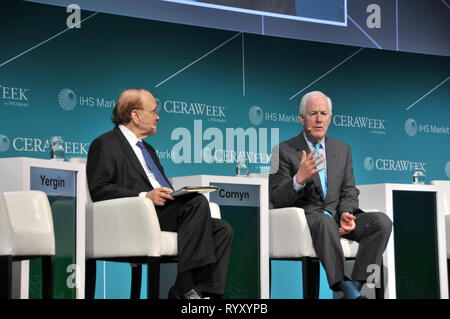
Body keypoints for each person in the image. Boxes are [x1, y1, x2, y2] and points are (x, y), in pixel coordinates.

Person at [86, 88, 233, 299]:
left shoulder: (149, 150)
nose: (158, 116)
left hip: (162, 211)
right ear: (135, 115)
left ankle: (205, 293)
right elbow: (99, 189)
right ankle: (183, 287)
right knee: (197, 202)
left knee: (222, 229)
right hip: (135, 216)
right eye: (153, 111)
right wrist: (144, 196)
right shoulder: (105, 144)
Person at [269, 91, 392, 299]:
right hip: (309, 219)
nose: (319, 119)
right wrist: (298, 179)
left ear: (330, 118)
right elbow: (276, 198)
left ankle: (356, 284)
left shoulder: (342, 149)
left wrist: (346, 212)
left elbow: (349, 191)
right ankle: (343, 287)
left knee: (381, 222)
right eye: (313, 114)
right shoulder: (283, 150)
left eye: (324, 114)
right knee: (325, 222)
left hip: (337, 217)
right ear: (301, 118)